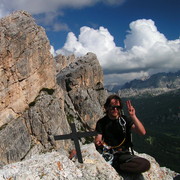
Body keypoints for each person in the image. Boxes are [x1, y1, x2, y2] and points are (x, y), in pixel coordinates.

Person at [95, 94, 150, 177]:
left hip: (123, 154)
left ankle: (117, 167)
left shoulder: (124, 120)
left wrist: (133, 116)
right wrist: (99, 143)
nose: (115, 109)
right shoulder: (101, 123)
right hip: (108, 153)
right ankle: (119, 166)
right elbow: (98, 139)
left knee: (145, 164)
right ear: (107, 107)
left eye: (118, 107)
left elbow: (142, 132)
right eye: (112, 107)